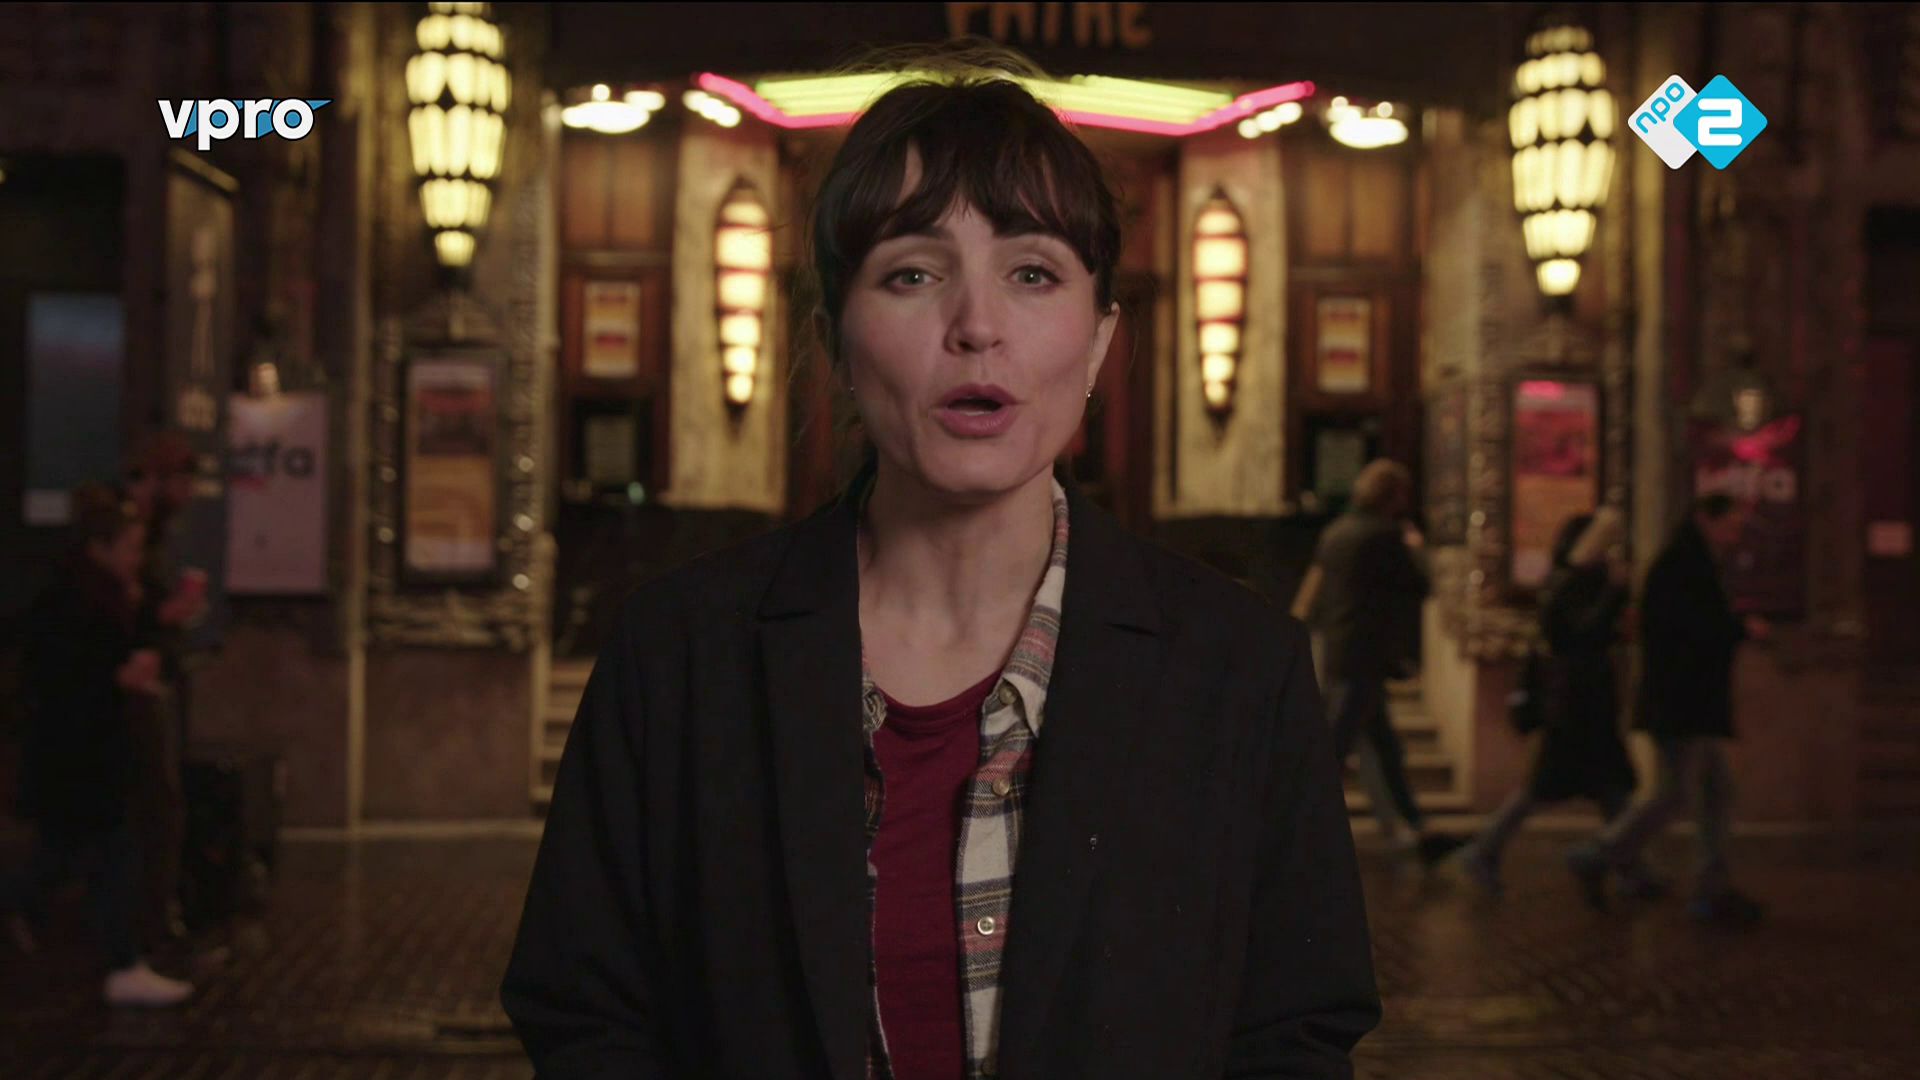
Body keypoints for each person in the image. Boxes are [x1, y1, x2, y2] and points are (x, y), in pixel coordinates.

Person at [502, 59, 1379, 1079]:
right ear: (833, 341)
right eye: (912, 274)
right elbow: (587, 1015)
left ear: (1100, 342)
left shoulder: (1239, 670)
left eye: (1033, 272)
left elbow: (1296, 1032)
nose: (977, 326)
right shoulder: (679, 657)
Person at [2, 485, 195, 1007]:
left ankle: (122, 962)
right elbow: (63, 672)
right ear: (99, 547)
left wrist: (147, 642)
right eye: (128, 547)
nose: (136, 558)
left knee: (70, 857)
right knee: (103, 855)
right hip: (76, 752)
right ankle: (123, 965)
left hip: (90, 751)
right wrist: (119, 675)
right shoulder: (72, 600)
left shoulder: (109, 594)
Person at [1568, 494, 1770, 924]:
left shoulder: (1690, 562)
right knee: (1673, 794)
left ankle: (1711, 887)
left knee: (1715, 791)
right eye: (1730, 525)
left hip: (1687, 701)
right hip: (1682, 702)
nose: (1735, 536)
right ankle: (1597, 854)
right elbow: (1691, 630)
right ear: (1705, 519)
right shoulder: (1682, 566)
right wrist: (1739, 627)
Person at [1455, 509, 1663, 898]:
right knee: (1552, 788)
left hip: (1586, 703)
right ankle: (1485, 850)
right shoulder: (1568, 585)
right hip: (1576, 707)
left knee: (1609, 789)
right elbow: (1582, 633)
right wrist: (1615, 594)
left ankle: (1628, 866)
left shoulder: (1577, 582)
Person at [1307, 458, 1463, 866]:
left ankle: (1416, 826)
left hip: (1339, 649)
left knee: (1383, 745)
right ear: (1392, 496)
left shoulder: (1335, 532)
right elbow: (1419, 584)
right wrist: (1416, 547)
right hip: (1366, 655)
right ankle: (1287, 829)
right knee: (1335, 748)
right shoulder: (1385, 535)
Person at [123, 431, 205, 948]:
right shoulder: (136, 533)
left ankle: (156, 913)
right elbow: (127, 608)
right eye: (183, 481)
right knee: (157, 803)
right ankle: (150, 921)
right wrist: (164, 615)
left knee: (163, 802)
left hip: (161, 670)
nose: (190, 493)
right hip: (141, 679)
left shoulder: (159, 534)